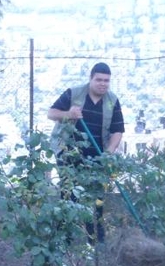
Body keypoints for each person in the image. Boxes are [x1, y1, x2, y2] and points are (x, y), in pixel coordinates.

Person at [47, 62, 125, 243]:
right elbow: (51, 113)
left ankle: (96, 237)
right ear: (91, 79)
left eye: (106, 81)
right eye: (99, 80)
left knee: (97, 196)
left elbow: (117, 130)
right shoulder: (73, 93)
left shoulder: (112, 101)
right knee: (69, 194)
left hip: (98, 155)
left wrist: (108, 153)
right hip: (68, 153)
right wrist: (69, 114)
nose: (103, 84)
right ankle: (64, 237)